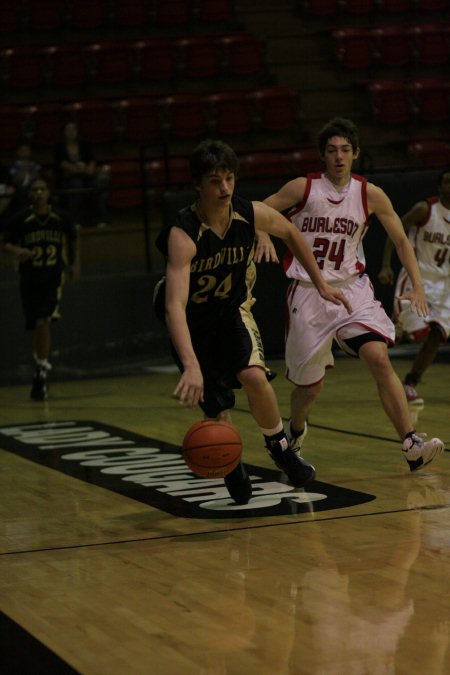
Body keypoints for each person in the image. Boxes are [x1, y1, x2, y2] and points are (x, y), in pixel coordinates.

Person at [153, 139, 351, 505]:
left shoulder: (250, 213)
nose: (225, 188)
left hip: (231, 311)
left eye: (229, 178)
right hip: (193, 323)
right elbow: (174, 308)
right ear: (198, 184)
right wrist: (192, 365)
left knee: (254, 376)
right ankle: (231, 464)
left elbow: (291, 233)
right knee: (217, 407)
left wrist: (321, 284)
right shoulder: (183, 234)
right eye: (215, 181)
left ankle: (281, 450)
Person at [264, 117, 444, 473]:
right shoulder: (303, 188)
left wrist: (419, 284)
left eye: (345, 150)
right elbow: (261, 208)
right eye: (331, 151)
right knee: (309, 389)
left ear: (356, 153)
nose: (339, 157)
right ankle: (296, 430)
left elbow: (400, 239)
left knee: (378, 357)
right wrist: (260, 234)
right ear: (322, 156)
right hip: (308, 293)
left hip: (351, 290)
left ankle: (410, 443)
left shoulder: (370, 194)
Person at [1, 178, 80, 400]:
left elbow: (74, 239)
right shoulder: (20, 220)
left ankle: (42, 369)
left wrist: (75, 265)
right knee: (34, 326)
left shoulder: (61, 217)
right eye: (34, 189)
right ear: (30, 195)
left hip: (53, 277)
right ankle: (40, 365)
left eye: (42, 189)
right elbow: (4, 243)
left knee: (43, 320)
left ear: (48, 193)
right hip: (29, 279)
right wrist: (18, 251)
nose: (38, 193)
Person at [378, 166, 450, 405]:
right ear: (440, 186)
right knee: (418, 334)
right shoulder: (425, 209)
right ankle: (396, 326)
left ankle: (410, 383)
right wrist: (386, 264)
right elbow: (395, 233)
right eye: (447, 182)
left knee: (437, 335)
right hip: (417, 278)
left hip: (444, 285)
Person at [54, 121, 110, 228]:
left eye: (73, 129)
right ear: (63, 132)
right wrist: (81, 170)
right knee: (76, 185)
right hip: (67, 179)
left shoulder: (85, 144)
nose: (71, 132)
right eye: (68, 129)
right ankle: (74, 221)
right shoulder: (59, 147)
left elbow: (91, 163)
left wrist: (85, 170)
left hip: (87, 177)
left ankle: (101, 219)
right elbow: (63, 165)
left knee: (98, 184)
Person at [9, 142, 42, 212]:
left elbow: (37, 176)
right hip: (20, 190)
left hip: (34, 187)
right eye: (22, 151)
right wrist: (25, 169)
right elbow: (16, 178)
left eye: (26, 150)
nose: (24, 153)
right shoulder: (15, 165)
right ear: (18, 152)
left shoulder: (34, 164)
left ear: (30, 152)